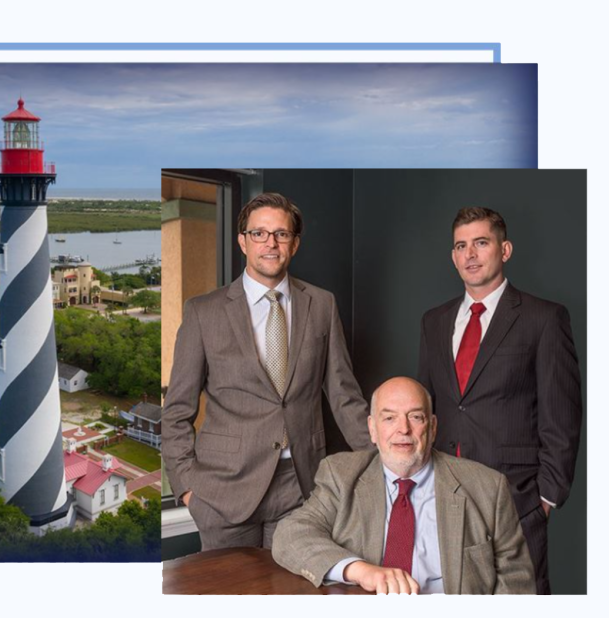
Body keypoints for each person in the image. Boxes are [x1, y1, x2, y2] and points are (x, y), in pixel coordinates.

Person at [162, 192, 369, 550]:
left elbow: (344, 397)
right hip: (223, 491)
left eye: (281, 234)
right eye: (259, 233)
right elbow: (177, 410)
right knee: (232, 586)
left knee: (294, 584)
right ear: (243, 242)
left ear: (295, 243)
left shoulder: (322, 304)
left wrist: (386, 464)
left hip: (301, 486)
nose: (270, 243)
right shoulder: (203, 312)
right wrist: (187, 488)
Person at [418, 206, 582, 594]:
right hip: (443, 497)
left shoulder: (544, 318)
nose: (470, 254)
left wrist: (544, 499)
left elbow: (562, 417)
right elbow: (426, 406)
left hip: (516, 498)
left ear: (504, 250)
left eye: (481, 243)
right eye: (461, 246)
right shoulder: (434, 321)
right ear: (453, 256)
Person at [272, 377, 535, 595]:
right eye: (389, 418)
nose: (403, 429)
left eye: (416, 417)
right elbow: (290, 535)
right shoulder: (341, 475)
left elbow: (517, 584)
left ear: (432, 427)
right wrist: (362, 571)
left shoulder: (487, 488)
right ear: (372, 429)